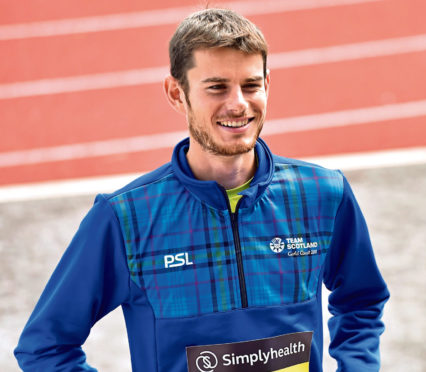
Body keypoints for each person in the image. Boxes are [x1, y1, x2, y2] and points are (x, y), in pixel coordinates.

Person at [14, 8, 389, 372]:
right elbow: (45, 346)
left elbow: (362, 299)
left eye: (250, 85)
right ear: (177, 94)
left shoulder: (323, 195)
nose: (238, 104)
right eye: (217, 87)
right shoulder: (126, 219)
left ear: (268, 84)